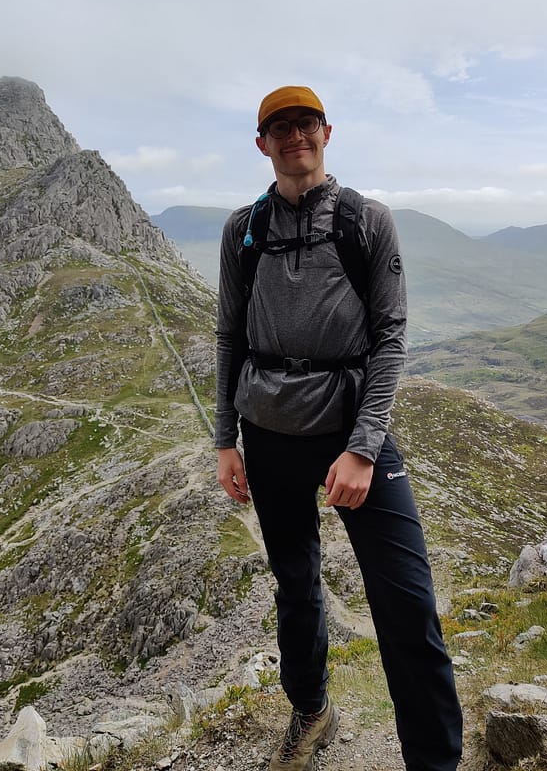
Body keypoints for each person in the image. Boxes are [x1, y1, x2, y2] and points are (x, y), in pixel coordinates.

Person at [215, 86, 463, 771]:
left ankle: (435, 761)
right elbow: (228, 336)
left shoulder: (364, 220)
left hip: (352, 434)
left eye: (304, 123)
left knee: (406, 602)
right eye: (279, 127)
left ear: (327, 132)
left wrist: (362, 448)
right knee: (295, 588)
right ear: (262, 144)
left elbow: (390, 337)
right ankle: (313, 711)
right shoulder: (244, 229)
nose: (294, 136)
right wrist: (224, 440)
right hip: (265, 434)